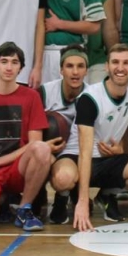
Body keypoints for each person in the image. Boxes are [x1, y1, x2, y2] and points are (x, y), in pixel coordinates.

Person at [71, 44, 128, 230]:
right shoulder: (90, 99)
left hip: (107, 159)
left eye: (126, 63)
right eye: (115, 62)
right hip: (79, 159)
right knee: (65, 177)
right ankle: (72, 195)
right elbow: (85, 152)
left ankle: (106, 194)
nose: (120, 68)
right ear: (107, 66)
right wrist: (82, 202)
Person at [0, 42, 51, 233]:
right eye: (4, 61)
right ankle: (1, 200)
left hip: (18, 167)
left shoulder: (31, 96)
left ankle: (24, 208)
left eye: (14, 62)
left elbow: (34, 144)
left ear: (21, 68)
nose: (9, 67)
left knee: (42, 149)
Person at [43, 44, 89, 224]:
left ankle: (103, 196)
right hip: (54, 151)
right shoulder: (45, 92)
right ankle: (51, 197)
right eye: (70, 66)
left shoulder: (93, 95)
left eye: (80, 66)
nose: (75, 72)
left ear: (86, 70)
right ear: (61, 69)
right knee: (60, 176)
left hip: (82, 152)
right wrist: (46, 150)